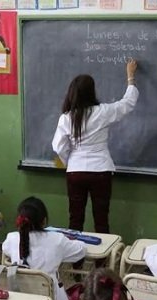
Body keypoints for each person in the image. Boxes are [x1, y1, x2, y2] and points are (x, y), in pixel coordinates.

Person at [52, 59, 139, 234]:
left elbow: (58, 147)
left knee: (75, 220)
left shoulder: (66, 118)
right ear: (92, 92)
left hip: (75, 173)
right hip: (101, 171)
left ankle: (76, 261)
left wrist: (70, 161)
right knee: (101, 220)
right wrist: (130, 77)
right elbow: (127, 103)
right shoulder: (102, 112)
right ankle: (102, 261)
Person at [2, 196, 86, 300]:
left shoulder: (12, 238)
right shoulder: (57, 240)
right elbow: (81, 250)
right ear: (44, 221)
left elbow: (5, 249)